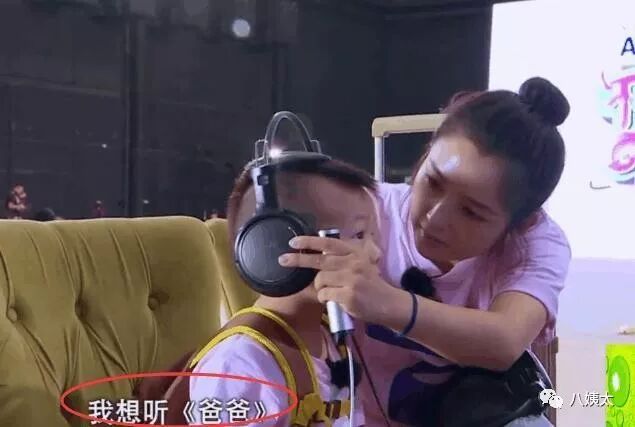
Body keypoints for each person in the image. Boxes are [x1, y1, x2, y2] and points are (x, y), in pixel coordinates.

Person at [279, 77, 571, 426]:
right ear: (426, 154)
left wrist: (385, 302)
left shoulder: (535, 244)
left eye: (471, 212)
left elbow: (504, 340)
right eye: (432, 181)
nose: (436, 218)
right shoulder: (363, 211)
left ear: (519, 223)